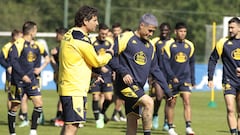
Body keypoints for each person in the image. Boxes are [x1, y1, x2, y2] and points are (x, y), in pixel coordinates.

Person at [109, 13, 173, 135]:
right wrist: (123, 72)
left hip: (138, 88)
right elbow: (111, 57)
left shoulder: (150, 46)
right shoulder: (126, 37)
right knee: (149, 102)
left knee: (132, 123)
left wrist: (167, 91)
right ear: (141, 25)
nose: (151, 34)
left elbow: (155, 70)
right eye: (149, 30)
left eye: (153, 32)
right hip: (125, 85)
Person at [58, 5, 113, 135]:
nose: (97, 23)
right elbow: (97, 61)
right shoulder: (81, 39)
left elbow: (75, 61)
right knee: (72, 127)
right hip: (74, 89)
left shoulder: (69, 33)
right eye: (94, 20)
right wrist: (110, 53)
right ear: (85, 21)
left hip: (69, 86)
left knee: (68, 125)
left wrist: (92, 73)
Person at [7, 21, 43, 135]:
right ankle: (12, 133)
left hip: (31, 80)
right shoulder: (18, 43)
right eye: (36, 30)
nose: (36, 32)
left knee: (39, 104)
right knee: (14, 107)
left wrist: (36, 70)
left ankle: (33, 131)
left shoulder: (34, 45)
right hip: (18, 81)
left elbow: (37, 60)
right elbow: (13, 61)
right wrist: (23, 75)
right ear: (32, 32)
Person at [208, 17, 240, 135]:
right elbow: (212, 59)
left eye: (232, 27)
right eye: (229, 28)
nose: (230, 30)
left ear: (239, 28)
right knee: (230, 108)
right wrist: (210, 77)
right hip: (229, 80)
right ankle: (233, 133)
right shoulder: (222, 42)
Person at [162, 22, 195, 135]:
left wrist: (193, 80)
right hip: (172, 79)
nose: (183, 33)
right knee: (171, 103)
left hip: (185, 78)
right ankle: (170, 127)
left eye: (185, 31)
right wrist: (172, 76)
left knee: (187, 100)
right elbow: (165, 63)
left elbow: (191, 63)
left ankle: (188, 127)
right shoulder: (169, 45)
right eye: (181, 31)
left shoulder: (189, 45)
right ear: (175, 32)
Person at [18, 36, 50, 127]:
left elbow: (47, 59)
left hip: (35, 77)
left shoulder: (39, 45)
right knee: (23, 98)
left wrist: (40, 69)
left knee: (36, 99)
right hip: (24, 77)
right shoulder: (21, 45)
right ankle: (25, 119)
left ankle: (40, 117)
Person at [89, 23, 114, 128]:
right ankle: (97, 119)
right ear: (98, 32)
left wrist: (114, 70)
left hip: (107, 75)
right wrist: (99, 68)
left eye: (106, 33)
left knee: (109, 98)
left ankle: (102, 113)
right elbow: (90, 58)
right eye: (102, 33)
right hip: (96, 74)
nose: (104, 35)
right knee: (95, 96)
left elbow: (113, 58)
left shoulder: (110, 43)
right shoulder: (92, 42)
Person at [150, 22, 173, 130]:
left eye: (166, 30)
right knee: (158, 97)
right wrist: (150, 76)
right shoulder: (155, 41)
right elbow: (150, 58)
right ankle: (155, 115)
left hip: (170, 75)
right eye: (162, 30)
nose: (164, 32)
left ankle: (166, 122)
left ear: (169, 31)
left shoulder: (173, 42)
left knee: (169, 99)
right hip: (157, 75)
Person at [0, 29, 22, 110]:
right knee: (11, 95)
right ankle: (11, 114)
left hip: (20, 74)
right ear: (15, 36)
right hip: (11, 75)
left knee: (21, 95)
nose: (22, 38)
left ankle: (22, 115)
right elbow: (1, 59)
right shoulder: (7, 46)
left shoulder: (21, 45)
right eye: (20, 36)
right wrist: (7, 66)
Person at [50, 27, 68, 127]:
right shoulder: (58, 48)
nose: (56, 36)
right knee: (61, 97)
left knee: (64, 97)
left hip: (65, 76)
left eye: (57, 34)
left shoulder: (65, 47)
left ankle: (63, 118)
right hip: (60, 76)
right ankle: (60, 116)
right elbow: (56, 66)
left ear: (62, 35)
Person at [110, 22, 127, 122]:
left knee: (119, 95)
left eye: (118, 30)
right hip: (112, 71)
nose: (116, 32)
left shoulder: (122, 41)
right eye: (114, 31)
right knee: (118, 95)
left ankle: (117, 114)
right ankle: (116, 114)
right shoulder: (110, 41)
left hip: (119, 70)